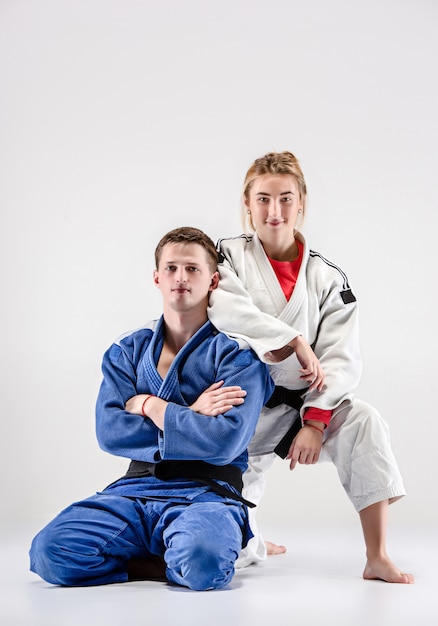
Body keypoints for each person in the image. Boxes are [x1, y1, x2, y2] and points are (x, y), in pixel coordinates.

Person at [29, 226, 274, 591]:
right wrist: (192, 415)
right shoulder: (128, 350)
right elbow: (110, 430)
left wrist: (150, 405)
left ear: (213, 280)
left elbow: (224, 441)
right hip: (134, 490)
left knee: (204, 565)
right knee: (49, 552)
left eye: (192, 269)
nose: (181, 277)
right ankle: (165, 562)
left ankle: (190, 550)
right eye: (172, 268)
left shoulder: (238, 356)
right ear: (156, 277)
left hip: (206, 493)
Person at [208, 151, 414, 584]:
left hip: (300, 410)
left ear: (301, 203)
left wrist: (317, 421)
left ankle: (376, 555)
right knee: (235, 555)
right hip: (236, 410)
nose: (274, 211)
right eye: (263, 199)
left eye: (286, 198)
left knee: (363, 422)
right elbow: (226, 309)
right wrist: (292, 340)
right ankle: (252, 538)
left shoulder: (327, 278)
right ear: (247, 202)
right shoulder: (225, 257)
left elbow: (341, 355)